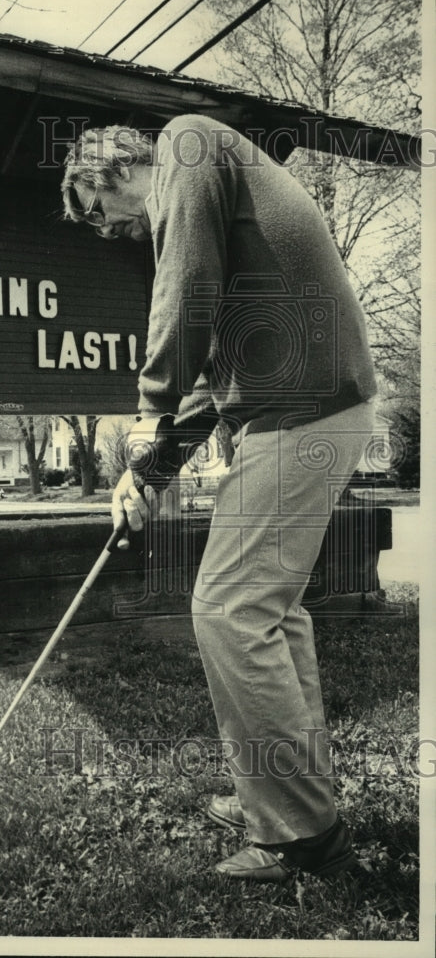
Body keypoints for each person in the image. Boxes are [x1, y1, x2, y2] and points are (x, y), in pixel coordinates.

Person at [61, 114, 377, 882]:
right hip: (306, 402)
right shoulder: (206, 199)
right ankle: (290, 795)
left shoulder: (187, 145)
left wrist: (145, 412)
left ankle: (301, 838)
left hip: (302, 408)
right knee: (270, 612)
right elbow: (209, 378)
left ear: (104, 170)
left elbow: (184, 291)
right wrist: (151, 473)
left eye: (96, 217)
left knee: (231, 609)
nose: (109, 234)